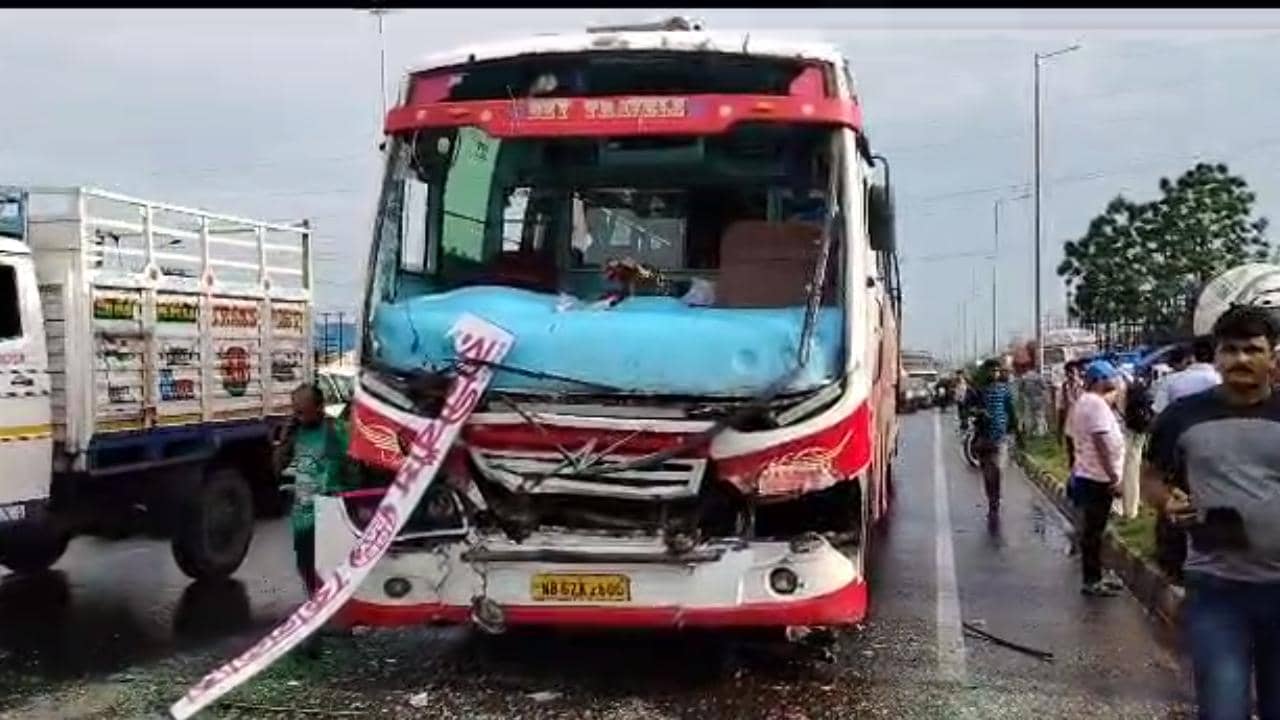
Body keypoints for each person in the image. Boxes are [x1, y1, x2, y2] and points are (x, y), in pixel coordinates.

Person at [1142, 306, 1280, 720]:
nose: (1241, 359)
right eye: (1230, 350)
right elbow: (1150, 478)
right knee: (1223, 709)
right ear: (1216, 356)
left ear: (1273, 356)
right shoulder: (1181, 417)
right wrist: (1167, 501)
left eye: (1253, 349)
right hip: (1217, 591)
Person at [282, 383, 353, 598]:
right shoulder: (295, 433)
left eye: (303, 411)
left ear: (319, 407)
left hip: (328, 511)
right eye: (296, 411)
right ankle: (314, 603)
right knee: (305, 566)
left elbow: (352, 465)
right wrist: (283, 441)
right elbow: (278, 468)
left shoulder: (335, 430)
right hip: (303, 513)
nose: (298, 416)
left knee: (331, 569)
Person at [1067, 359, 1128, 597]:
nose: (1115, 381)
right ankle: (1092, 580)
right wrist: (1114, 476)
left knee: (1094, 530)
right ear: (1100, 380)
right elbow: (1102, 442)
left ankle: (1096, 575)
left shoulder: (1088, 402)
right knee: (1093, 532)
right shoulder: (1094, 405)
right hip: (1097, 477)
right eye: (1111, 377)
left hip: (1088, 473)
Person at [972, 358, 1019, 522]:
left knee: (997, 469)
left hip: (1000, 436)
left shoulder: (1004, 390)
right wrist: (979, 412)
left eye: (997, 370)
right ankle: (991, 500)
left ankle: (996, 499)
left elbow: (1011, 410)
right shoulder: (979, 390)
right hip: (984, 436)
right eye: (992, 370)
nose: (995, 373)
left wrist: (1016, 430)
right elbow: (969, 408)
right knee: (987, 474)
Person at [1152, 336, 1221, 414]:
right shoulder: (1221, 381)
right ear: (1217, 356)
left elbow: (1159, 412)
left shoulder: (1170, 380)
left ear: (1191, 357)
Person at [1057, 360, 1086, 466]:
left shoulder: (1084, 387)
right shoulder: (1063, 389)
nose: (1071, 375)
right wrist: (1059, 432)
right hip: (1070, 428)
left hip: (1083, 428)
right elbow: (1061, 409)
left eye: (1073, 371)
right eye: (1068, 372)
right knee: (1072, 457)